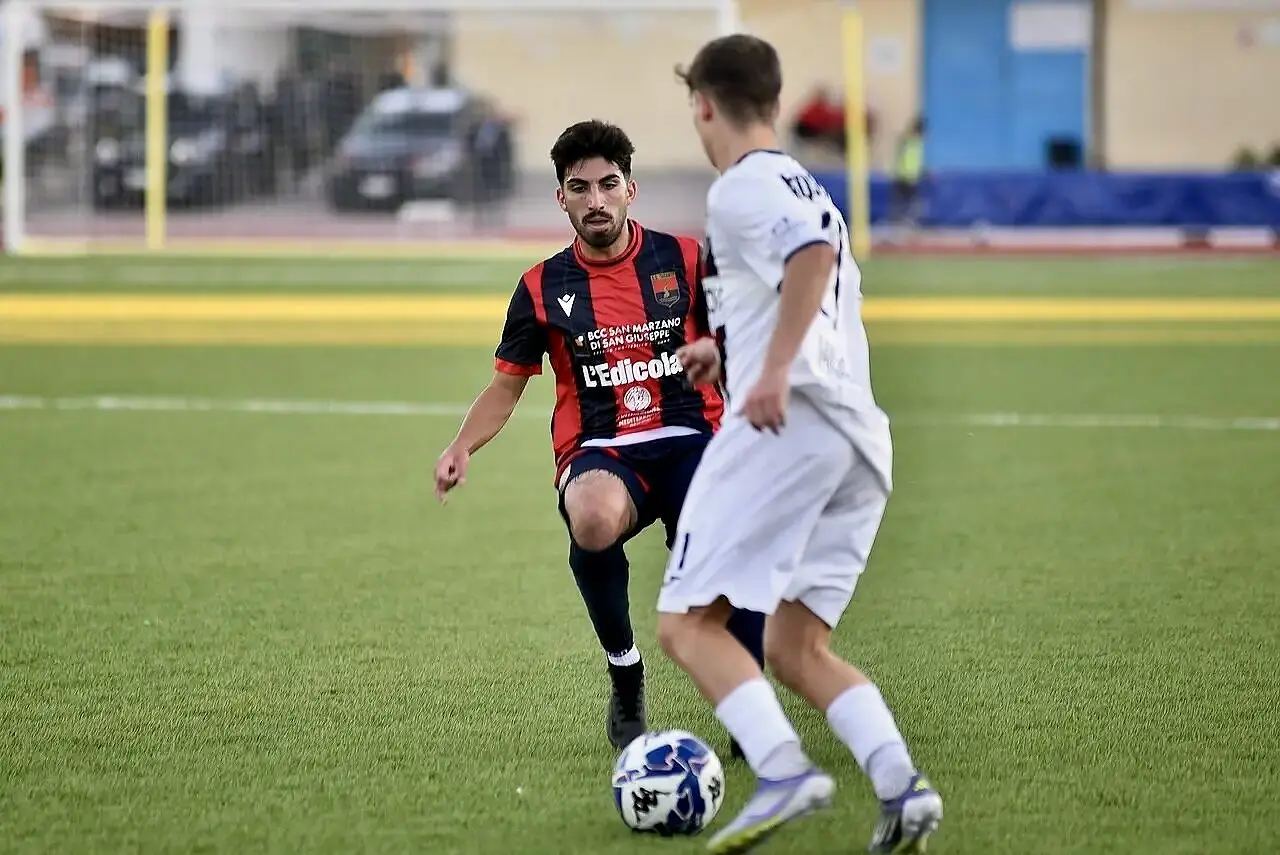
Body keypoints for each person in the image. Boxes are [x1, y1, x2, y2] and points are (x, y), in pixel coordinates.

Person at [656, 35, 944, 854]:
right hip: (858, 435)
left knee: (686, 624)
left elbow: (808, 259)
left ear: (703, 105)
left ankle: (782, 770)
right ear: (777, 103)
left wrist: (770, 372)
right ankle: (902, 785)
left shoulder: (739, 188)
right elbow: (801, 278)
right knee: (793, 643)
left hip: (791, 420)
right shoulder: (802, 180)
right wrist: (733, 351)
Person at [433, 119, 766, 754]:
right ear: (560, 196)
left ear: (630, 189)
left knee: (729, 543)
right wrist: (460, 446)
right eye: (579, 188)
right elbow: (507, 386)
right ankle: (625, 674)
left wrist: (720, 354)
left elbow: (741, 340)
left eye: (607, 185)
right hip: (604, 450)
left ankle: (746, 704)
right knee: (590, 518)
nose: (595, 201)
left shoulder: (688, 259)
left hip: (696, 436)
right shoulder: (540, 287)